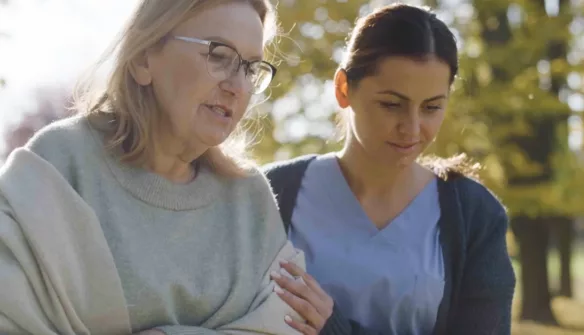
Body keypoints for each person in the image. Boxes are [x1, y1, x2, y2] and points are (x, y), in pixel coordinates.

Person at [0, 1, 332, 334]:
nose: (237, 86)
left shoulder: (250, 199)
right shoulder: (59, 162)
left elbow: (284, 325)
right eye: (218, 55)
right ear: (144, 59)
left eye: (250, 68)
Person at [263, 3, 516, 335]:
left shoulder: (474, 215)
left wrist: (335, 330)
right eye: (391, 104)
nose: (411, 129)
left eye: (431, 107)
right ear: (343, 89)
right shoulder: (271, 192)